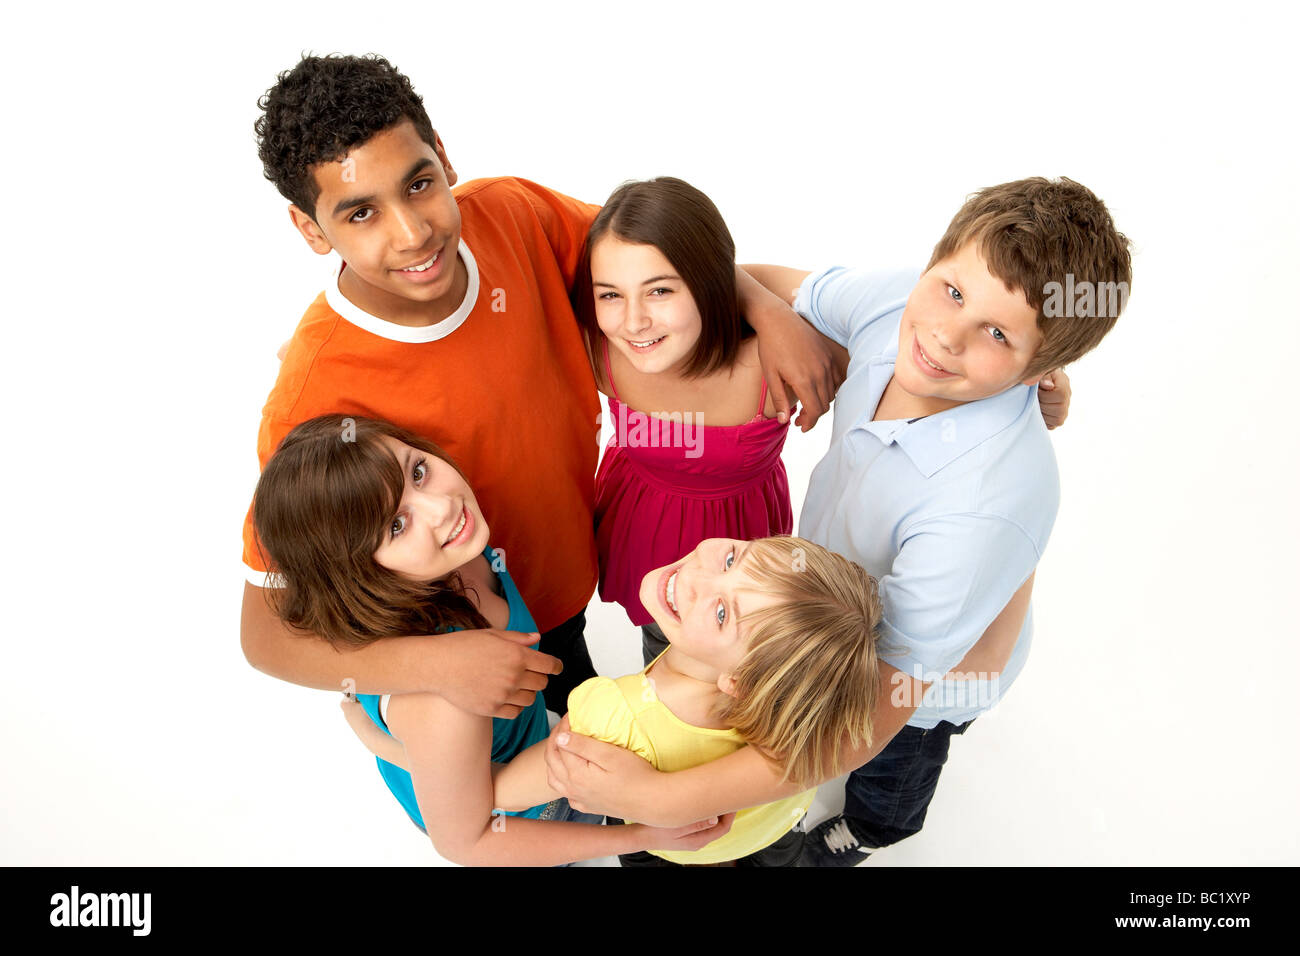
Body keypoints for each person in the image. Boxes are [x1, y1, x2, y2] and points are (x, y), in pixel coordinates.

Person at [544, 176, 1129, 868]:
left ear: (1045, 366)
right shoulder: (898, 303)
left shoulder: (980, 511)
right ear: (936, 263)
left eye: (997, 334)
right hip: (811, 608)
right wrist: (775, 313)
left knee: (893, 774)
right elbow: (732, 277)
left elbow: (852, 728)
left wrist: (667, 805)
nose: (943, 335)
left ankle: (865, 833)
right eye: (950, 290)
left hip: (921, 687)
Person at [239, 53, 843, 719]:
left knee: (595, 732)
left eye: (418, 185)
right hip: (469, 644)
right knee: (540, 790)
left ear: (443, 156)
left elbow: (659, 269)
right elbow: (265, 634)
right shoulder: (313, 393)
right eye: (361, 214)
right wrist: (436, 664)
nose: (412, 234)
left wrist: (765, 306)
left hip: (566, 589)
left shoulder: (514, 214)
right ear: (309, 229)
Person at [574, 177, 1071, 667]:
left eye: (658, 291)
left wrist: (1037, 367)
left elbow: (919, 344)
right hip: (641, 526)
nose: (634, 321)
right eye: (610, 295)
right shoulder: (599, 349)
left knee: (744, 672)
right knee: (663, 642)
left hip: (742, 544)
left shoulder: (788, 362)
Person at [253, 414, 731, 865]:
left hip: (508, 749)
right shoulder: (442, 702)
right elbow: (469, 839)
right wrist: (639, 835)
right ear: (359, 575)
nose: (442, 508)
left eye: (417, 471)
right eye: (396, 525)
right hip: (522, 819)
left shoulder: (457, 552)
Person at [346, 535, 884, 866]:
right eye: (733, 558)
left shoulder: (610, 718)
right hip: (755, 831)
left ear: (739, 684)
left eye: (723, 614)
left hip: (670, 844)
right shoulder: (799, 705)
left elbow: (491, 793)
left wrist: (376, 736)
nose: (696, 575)